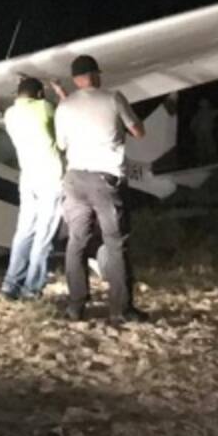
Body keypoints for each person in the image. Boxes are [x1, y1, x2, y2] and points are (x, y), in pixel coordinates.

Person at [54, 54, 148, 323]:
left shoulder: (64, 106)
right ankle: (121, 309)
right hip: (105, 179)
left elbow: (61, 144)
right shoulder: (113, 98)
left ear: (75, 80)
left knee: (76, 243)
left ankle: (76, 306)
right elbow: (139, 132)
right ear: (96, 75)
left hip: (74, 179)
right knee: (116, 243)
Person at [0, 77, 64, 300]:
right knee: (44, 236)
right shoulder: (45, 108)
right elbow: (65, 119)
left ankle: (10, 285)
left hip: (28, 176)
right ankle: (31, 288)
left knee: (24, 232)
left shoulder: (10, 114)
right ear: (39, 94)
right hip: (50, 176)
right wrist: (60, 92)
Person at [189, 97, 218, 163]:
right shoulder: (200, 113)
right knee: (202, 145)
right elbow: (194, 121)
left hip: (206, 131)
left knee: (208, 144)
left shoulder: (209, 112)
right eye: (204, 104)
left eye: (206, 104)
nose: (205, 105)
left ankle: (210, 157)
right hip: (200, 132)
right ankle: (203, 158)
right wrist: (192, 129)